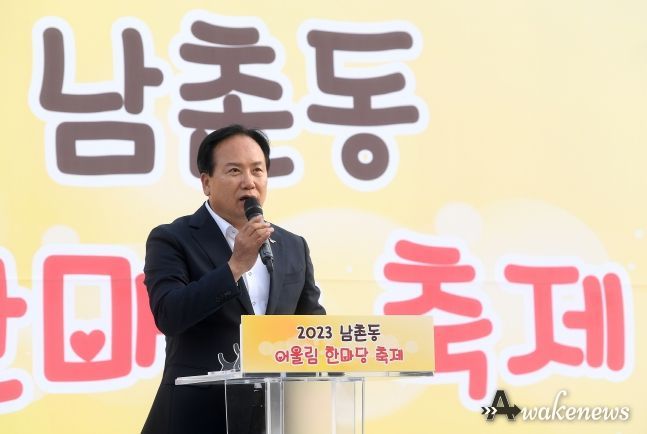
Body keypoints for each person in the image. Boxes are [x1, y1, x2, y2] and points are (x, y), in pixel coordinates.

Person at [141, 124, 326, 434]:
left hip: (272, 419)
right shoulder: (172, 239)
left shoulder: (292, 245)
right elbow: (169, 314)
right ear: (206, 182)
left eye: (257, 170)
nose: (249, 182)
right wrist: (235, 265)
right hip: (195, 419)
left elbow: (312, 325)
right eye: (234, 171)